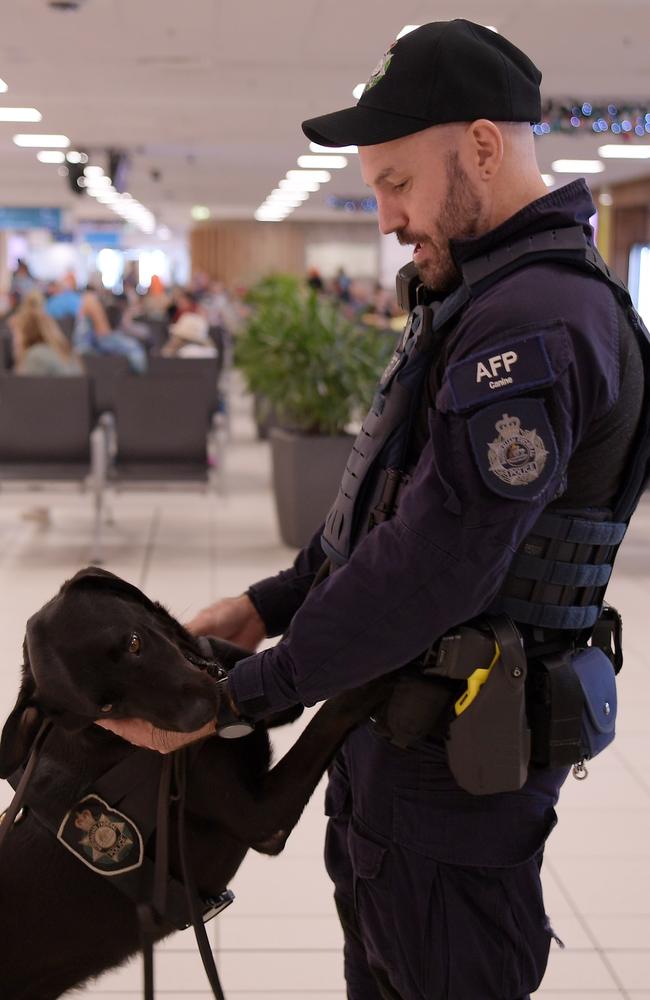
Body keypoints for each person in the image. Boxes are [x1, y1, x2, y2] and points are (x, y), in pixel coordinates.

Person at [95, 20, 648, 1000]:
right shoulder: (475, 298)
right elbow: (384, 501)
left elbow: (438, 559)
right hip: (400, 740)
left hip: (455, 765)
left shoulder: (537, 323)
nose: (385, 214)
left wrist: (240, 698)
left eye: (396, 181)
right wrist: (271, 601)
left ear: (481, 144)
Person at [10, 290, 84, 376]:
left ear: (26, 333)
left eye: (16, 334)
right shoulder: (62, 352)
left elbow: (22, 387)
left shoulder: (35, 356)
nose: (14, 339)